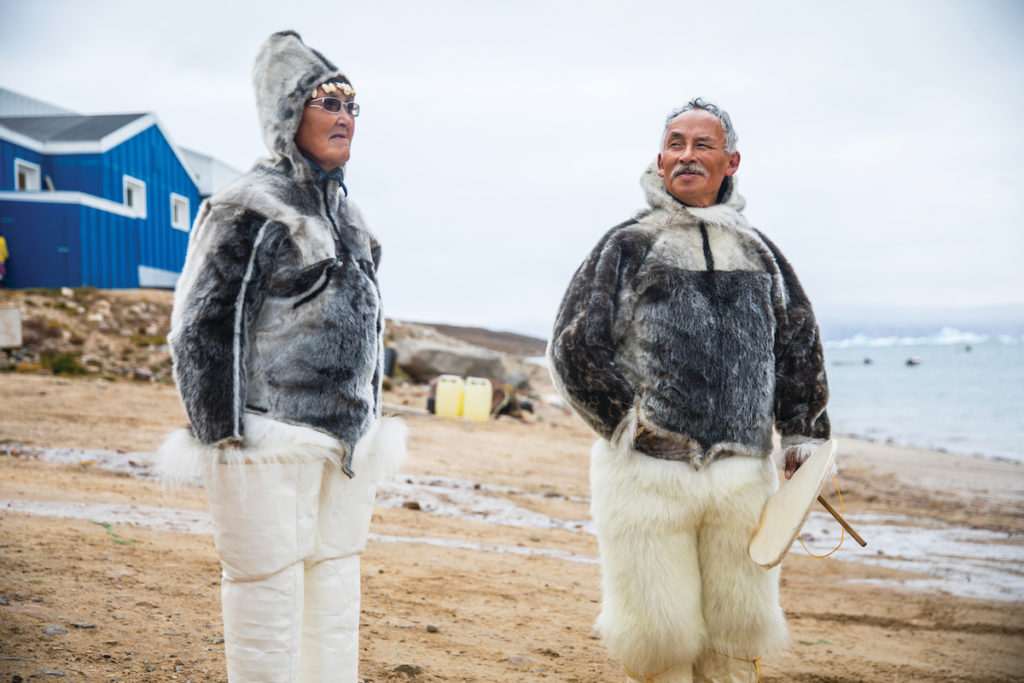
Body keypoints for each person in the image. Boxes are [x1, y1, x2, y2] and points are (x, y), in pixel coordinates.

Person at [547, 98, 830, 682]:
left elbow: (798, 347)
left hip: (743, 478)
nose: (687, 155)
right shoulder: (627, 244)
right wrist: (628, 424)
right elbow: (574, 348)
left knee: (735, 638)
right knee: (657, 637)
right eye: (676, 144)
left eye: (703, 145)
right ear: (659, 159)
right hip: (646, 475)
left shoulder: (761, 254)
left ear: (732, 161)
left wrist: (805, 435)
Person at [159, 31, 405, 683]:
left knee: (333, 597)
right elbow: (201, 326)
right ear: (288, 113)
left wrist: (371, 419)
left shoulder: (354, 222)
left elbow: (368, 333)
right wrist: (223, 435)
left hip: (346, 442)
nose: (345, 115)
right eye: (328, 100)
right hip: (269, 437)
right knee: (266, 597)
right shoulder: (249, 206)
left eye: (353, 103)